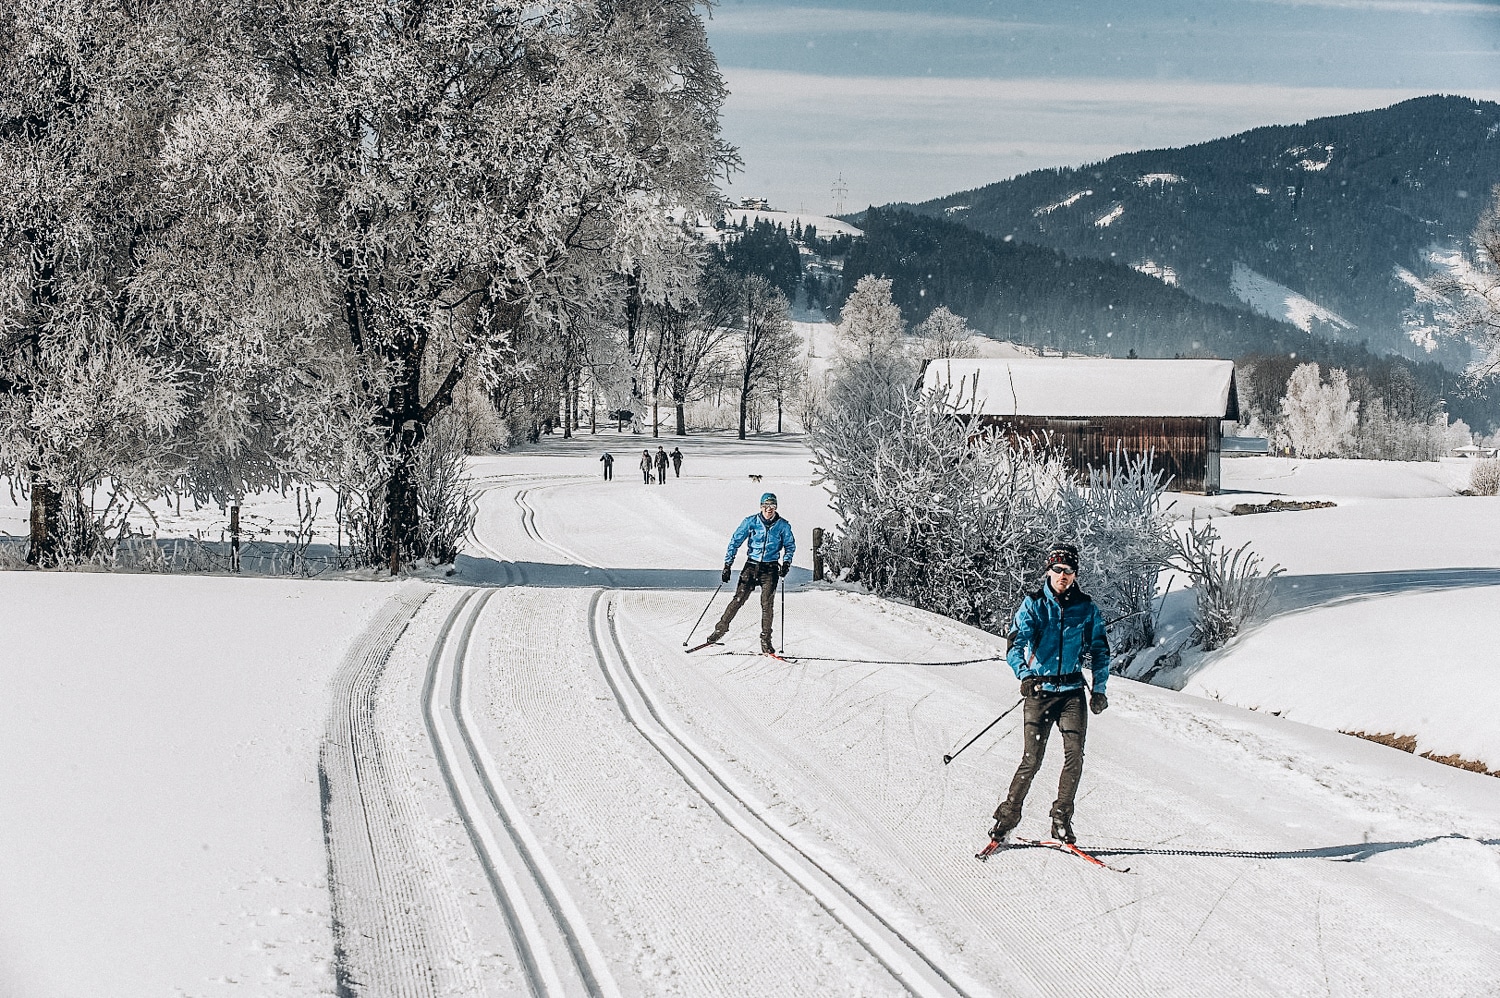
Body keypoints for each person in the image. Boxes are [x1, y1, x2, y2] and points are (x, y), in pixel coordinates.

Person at [989, 543, 1110, 846]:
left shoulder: (1086, 607)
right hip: (1040, 691)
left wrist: (1098, 690)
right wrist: (1025, 675)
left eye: (1068, 570)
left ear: (1075, 574)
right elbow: (1015, 644)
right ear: (1048, 571)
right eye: (1057, 569)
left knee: (1074, 757)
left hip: (1072, 694)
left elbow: (1100, 650)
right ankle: (1006, 819)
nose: (1063, 575)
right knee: (1032, 759)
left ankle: (1061, 820)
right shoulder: (1033, 605)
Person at [707, 493, 795, 654]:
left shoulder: (783, 525)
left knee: (767, 605)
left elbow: (790, 546)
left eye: (772, 507)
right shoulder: (751, 522)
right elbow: (735, 541)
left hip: (770, 569)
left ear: (776, 508)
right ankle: (719, 631)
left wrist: (787, 562)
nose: (769, 510)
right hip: (751, 567)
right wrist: (727, 564)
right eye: (765, 506)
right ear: (761, 507)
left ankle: (766, 640)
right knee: (738, 599)